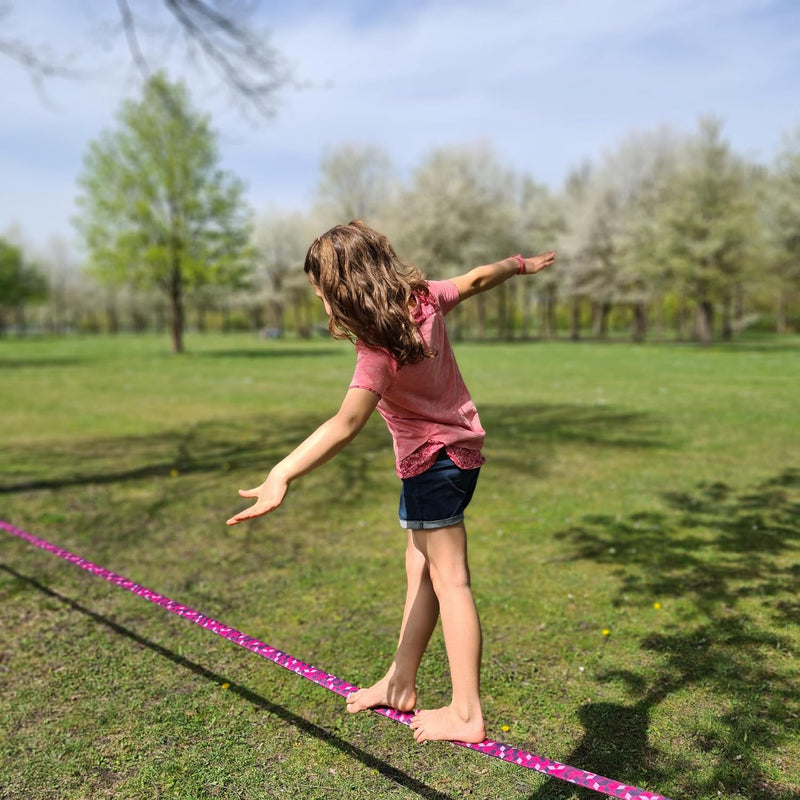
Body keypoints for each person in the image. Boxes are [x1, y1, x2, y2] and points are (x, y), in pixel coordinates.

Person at [227, 220, 555, 744]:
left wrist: (280, 472)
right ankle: (400, 682)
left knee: (451, 580)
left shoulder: (377, 350)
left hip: (432, 464)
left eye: (321, 292)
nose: (321, 301)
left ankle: (467, 713)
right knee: (419, 568)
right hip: (455, 458)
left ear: (342, 289)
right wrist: (519, 265)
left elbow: (345, 424)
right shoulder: (422, 300)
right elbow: (473, 280)